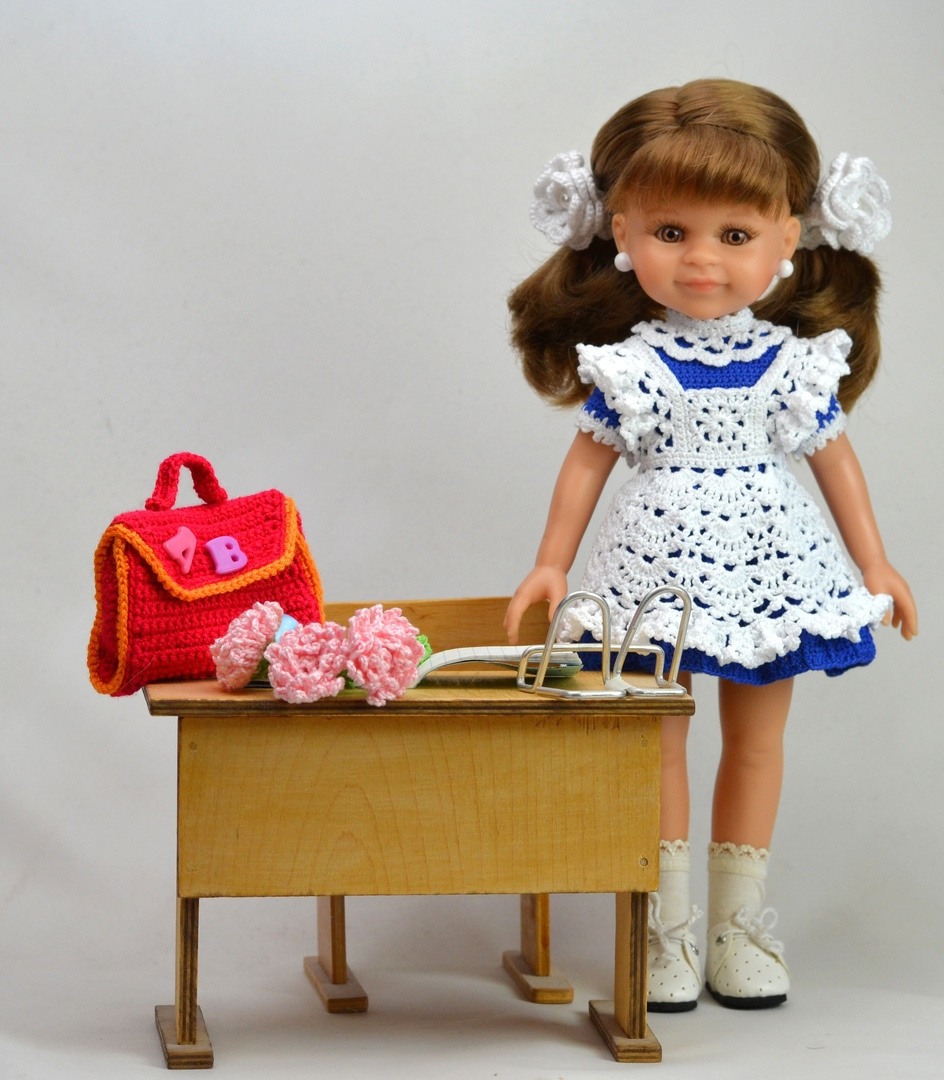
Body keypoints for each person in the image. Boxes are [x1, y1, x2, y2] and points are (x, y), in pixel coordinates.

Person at [503, 79, 917, 1012]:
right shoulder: (631, 365)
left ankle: (736, 925)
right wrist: (551, 561)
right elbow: (586, 464)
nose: (700, 259)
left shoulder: (793, 363)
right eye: (670, 231)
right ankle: (667, 927)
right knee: (656, 738)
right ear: (620, 232)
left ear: (787, 239)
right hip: (653, 564)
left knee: (757, 742)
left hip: (771, 562)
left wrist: (874, 564)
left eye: (734, 235)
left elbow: (835, 461)